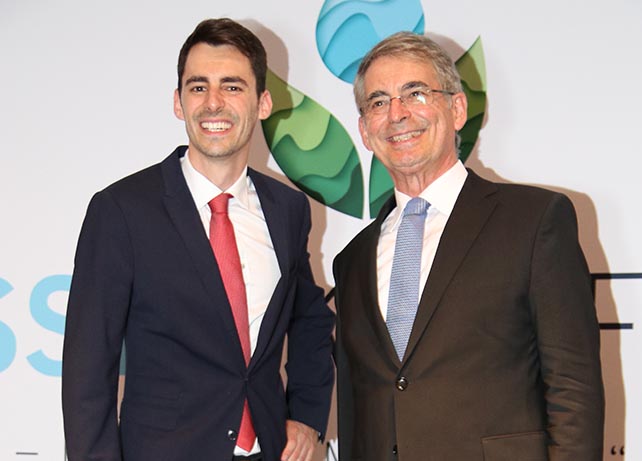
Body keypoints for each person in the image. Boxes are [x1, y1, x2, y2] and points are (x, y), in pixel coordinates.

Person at [62, 18, 334, 461]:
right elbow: (87, 371)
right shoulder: (122, 211)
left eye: (232, 87)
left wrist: (306, 416)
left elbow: (309, 321)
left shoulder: (288, 210)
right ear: (177, 102)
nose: (213, 104)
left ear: (263, 102)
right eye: (197, 87)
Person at [332, 31, 604, 460]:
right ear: (365, 131)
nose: (397, 114)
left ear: (457, 109)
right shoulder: (351, 261)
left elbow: (573, 387)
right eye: (378, 102)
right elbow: (354, 407)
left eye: (415, 93)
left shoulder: (534, 221)